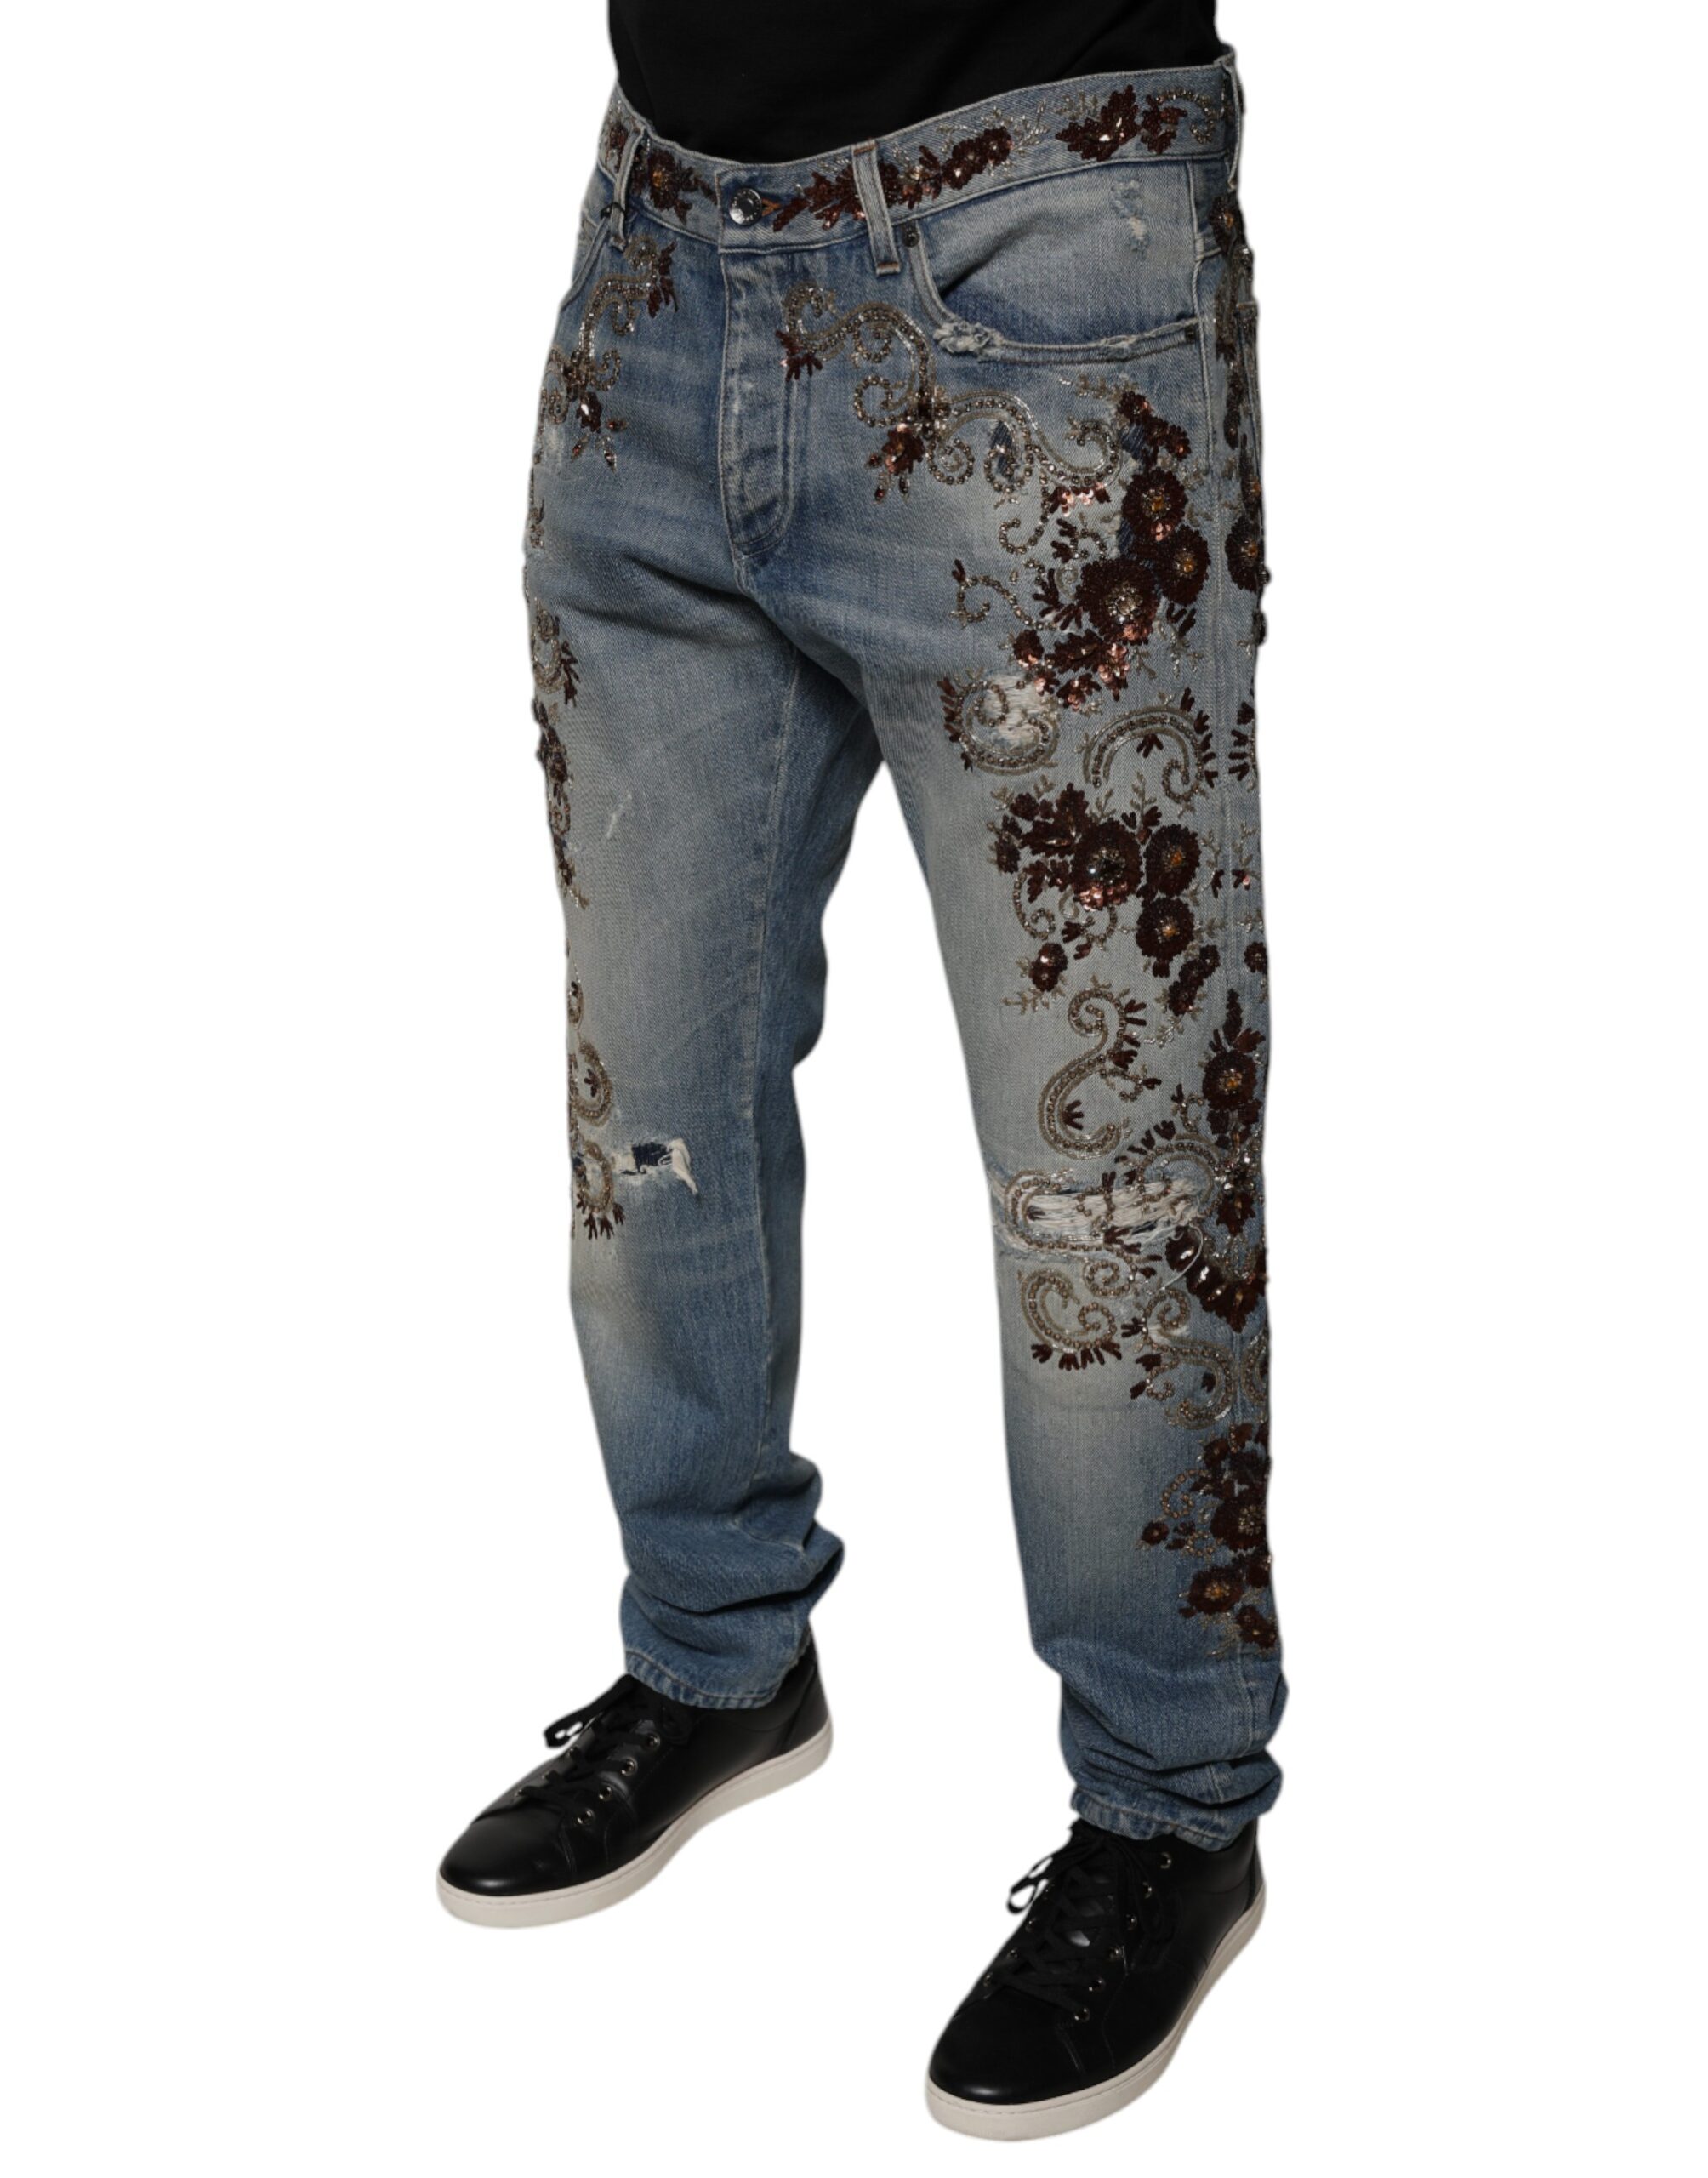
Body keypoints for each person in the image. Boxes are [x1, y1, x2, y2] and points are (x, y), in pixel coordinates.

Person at [438, 1, 1282, 2138]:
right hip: (658, 252)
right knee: (650, 1101)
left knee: (1107, 1170)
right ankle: (714, 1643)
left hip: (1036, 249)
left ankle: (1169, 1803)